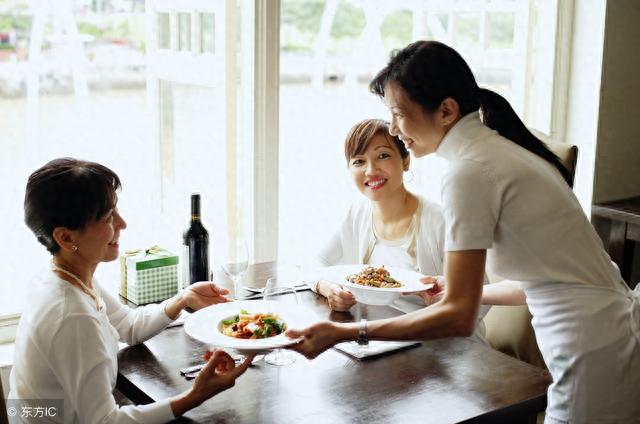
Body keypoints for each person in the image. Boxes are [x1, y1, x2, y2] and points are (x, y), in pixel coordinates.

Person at [286, 41, 640, 423]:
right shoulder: (494, 151)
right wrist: (460, 290)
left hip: (590, 349)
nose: (393, 129)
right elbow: (548, 279)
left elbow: (459, 318)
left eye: (398, 114)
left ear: (446, 110)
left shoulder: (469, 172)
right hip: (607, 335)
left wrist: (347, 333)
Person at [9, 158, 253, 423]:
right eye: (107, 217)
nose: (122, 223)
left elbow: (128, 325)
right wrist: (195, 396)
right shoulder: (73, 315)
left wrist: (184, 297)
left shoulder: (63, 277)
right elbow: (105, 421)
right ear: (66, 238)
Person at [312, 119, 489, 341]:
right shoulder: (357, 213)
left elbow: (483, 297)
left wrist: (442, 301)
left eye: (383, 156)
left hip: (445, 344)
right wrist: (329, 289)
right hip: (383, 339)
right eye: (359, 161)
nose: (371, 170)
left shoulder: (441, 220)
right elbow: (313, 266)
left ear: (406, 160)